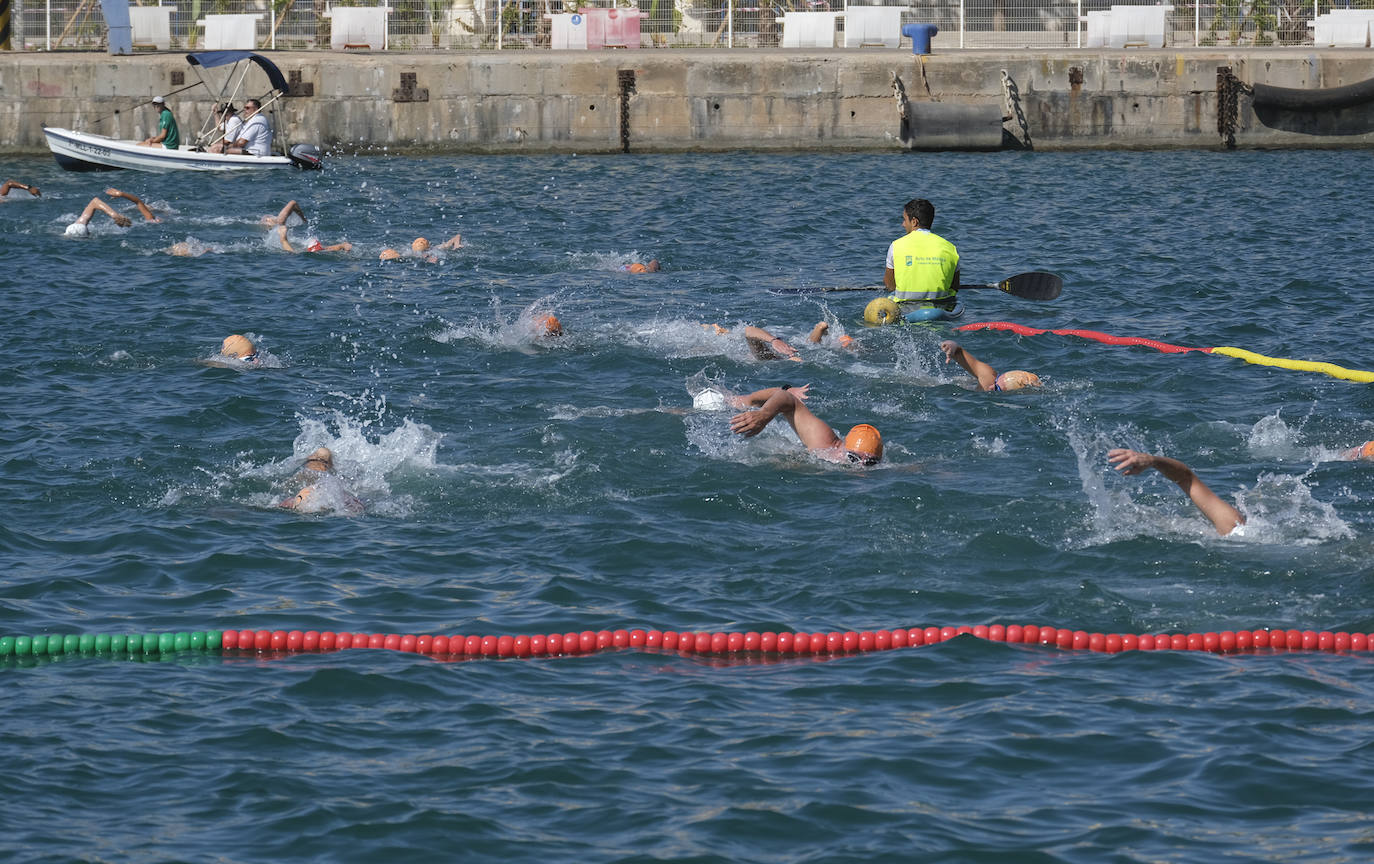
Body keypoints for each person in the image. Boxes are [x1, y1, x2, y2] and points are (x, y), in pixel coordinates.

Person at [729, 384, 884, 465]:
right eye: (853, 458)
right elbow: (786, 398)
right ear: (843, 447)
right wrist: (763, 415)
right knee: (735, 401)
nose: (861, 467)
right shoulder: (824, 442)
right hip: (732, 415)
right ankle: (743, 400)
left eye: (870, 463)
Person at [1108, 449, 1246, 537]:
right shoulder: (1234, 527)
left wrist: (1153, 461)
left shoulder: (1234, 528)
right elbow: (1186, 478)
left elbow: (1186, 478)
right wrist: (1153, 461)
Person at [883, 198, 959, 320]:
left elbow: (889, 284)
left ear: (914, 222)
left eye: (904, 219)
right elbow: (954, 287)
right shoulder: (950, 248)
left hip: (906, 312)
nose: (903, 224)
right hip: (940, 310)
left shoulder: (896, 246)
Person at [939, 340, 1041, 392]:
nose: (992, 387)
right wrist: (951, 346)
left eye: (997, 389)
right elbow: (961, 353)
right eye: (996, 383)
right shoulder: (989, 379)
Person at [63, 191, 158, 236]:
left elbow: (94, 201)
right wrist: (121, 194)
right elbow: (139, 202)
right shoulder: (153, 221)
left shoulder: (73, 231)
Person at [277, 225, 351, 253]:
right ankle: (283, 239)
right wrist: (343, 245)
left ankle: (283, 239)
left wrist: (343, 246)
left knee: (293, 253)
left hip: (314, 247)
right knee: (293, 253)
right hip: (313, 247)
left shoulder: (318, 250)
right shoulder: (318, 250)